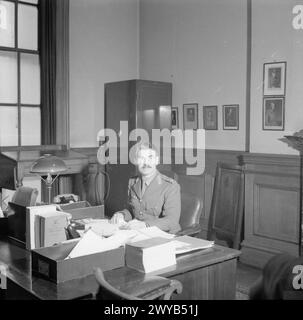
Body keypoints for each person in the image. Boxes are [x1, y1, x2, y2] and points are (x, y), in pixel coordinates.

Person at [110, 142, 181, 234]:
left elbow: (172, 221)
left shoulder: (170, 186)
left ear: (157, 160)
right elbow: (131, 210)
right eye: (141, 158)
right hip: (138, 233)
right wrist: (121, 215)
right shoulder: (132, 182)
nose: (146, 163)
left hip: (163, 236)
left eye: (150, 157)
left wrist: (144, 225)